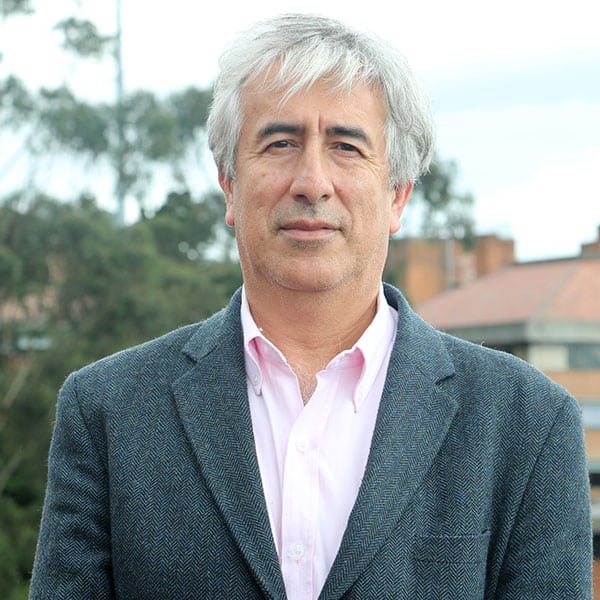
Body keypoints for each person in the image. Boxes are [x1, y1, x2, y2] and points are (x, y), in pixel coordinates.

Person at [29, 13, 592, 600]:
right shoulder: (109, 412)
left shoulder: (527, 423)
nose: (312, 181)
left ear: (398, 195)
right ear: (229, 185)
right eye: (280, 143)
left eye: (346, 146)